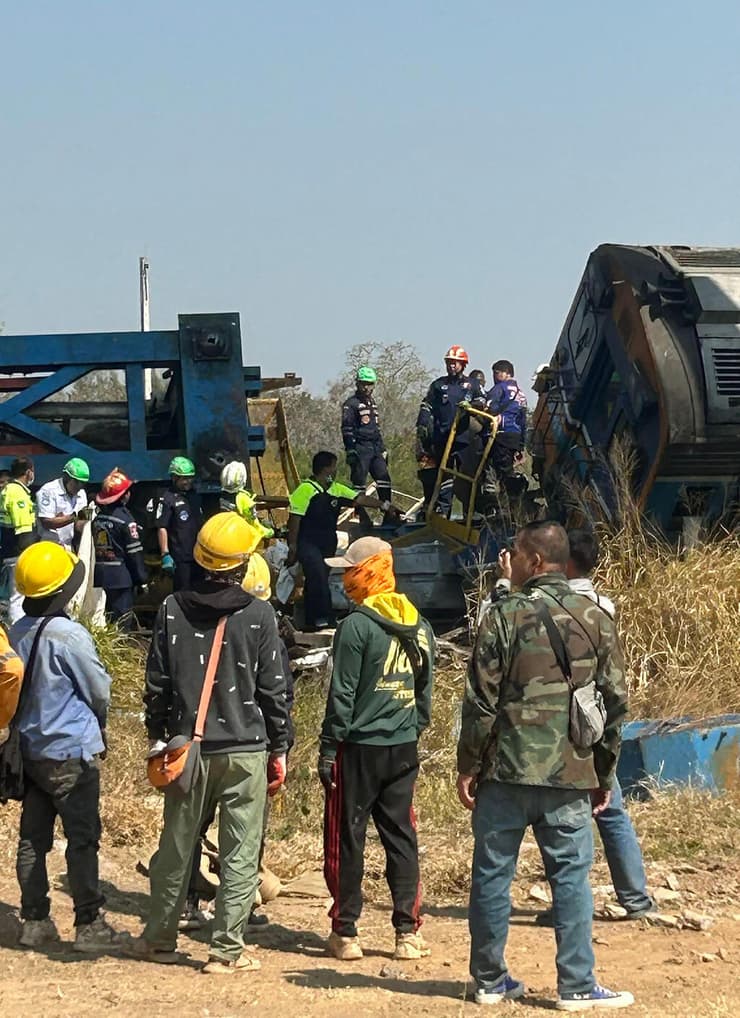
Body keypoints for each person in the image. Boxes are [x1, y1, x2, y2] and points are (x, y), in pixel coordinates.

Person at [457, 521, 634, 1010]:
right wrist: (605, 771)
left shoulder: (502, 616)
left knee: (492, 875)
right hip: (570, 772)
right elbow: (615, 701)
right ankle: (577, 985)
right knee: (572, 880)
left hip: (505, 772)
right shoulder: (595, 616)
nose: (508, 560)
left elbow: (480, 700)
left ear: (535, 561)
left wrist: (467, 765)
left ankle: (489, 980)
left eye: (514, 551)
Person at [129, 513, 290, 972]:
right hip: (245, 750)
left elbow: (156, 683)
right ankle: (226, 952)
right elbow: (273, 691)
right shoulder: (259, 615)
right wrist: (281, 747)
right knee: (240, 853)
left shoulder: (170, 609)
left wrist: (158, 739)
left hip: (187, 749)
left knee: (177, 846)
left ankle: (159, 938)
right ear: (243, 564)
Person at [319, 536, 435, 962]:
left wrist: (328, 750)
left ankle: (345, 932)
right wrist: (411, 726)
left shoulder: (356, 626)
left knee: (346, 838)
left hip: (358, 749)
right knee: (402, 837)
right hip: (403, 745)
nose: (345, 578)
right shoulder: (419, 624)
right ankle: (408, 933)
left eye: (350, 570)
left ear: (367, 571)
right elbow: (425, 690)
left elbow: (341, 696)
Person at [10, 541, 125, 951]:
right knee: (81, 839)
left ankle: (34, 921)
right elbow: (99, 690)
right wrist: (102, 728)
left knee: (32, 839)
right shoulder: (70, 635)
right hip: (71, 754)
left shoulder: (16, 631)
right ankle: (89, 924)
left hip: (30, 753)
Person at [286, 451, 400, 631]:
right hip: (308, 542)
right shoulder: (305, 490)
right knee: (317, 577)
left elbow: (359, 498)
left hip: (327, 542)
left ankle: (309, 619)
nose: (336, 470)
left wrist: (385, 506)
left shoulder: (336, 489)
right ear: (326, 469)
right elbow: (295, 519)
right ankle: (323, 619)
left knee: (318, 579)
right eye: (334, 466)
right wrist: (292, 545)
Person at [416, 347, 485, 517]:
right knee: (443, 477)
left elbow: (483, 403)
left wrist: (472, 406)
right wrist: (423, 422)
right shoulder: (438, 385)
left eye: (455, 363)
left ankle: (470, 515)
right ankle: (442, 513)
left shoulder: (473, 385)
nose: (451, 366)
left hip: (464, 440)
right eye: (449, 362)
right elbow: (427, 405)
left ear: (463, 365)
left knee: (467, 478)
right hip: (442, 438)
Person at [92, 468, 147, 626]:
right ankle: (121, 650)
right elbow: (134, 553)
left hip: (103, 576)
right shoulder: (125, 520)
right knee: (122, 622)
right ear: (124, 496)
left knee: (109, 619)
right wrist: (142, 579)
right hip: (122, 578)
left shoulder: (98, 519)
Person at [341, 366, 392, 516]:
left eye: (369, 384)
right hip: (360, 447)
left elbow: (376, 428)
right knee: (359, 484)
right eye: (363, 383)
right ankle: (360, 516)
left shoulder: (372, 402)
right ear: (357, 383)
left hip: (375, 447)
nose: (366, 387)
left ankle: (388, 513)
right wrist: (350, 449)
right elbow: (347, 428)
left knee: (384, 480)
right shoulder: (351, 404)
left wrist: (382, 448)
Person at [156, 456, 204, 591]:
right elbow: (162, 527)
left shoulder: (194, 496)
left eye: (190, 478)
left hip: (199, 554)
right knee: (183, 593)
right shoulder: (167, 499)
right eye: (184, 478)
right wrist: (165, 554)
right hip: (181, 557)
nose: (188, 481)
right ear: (174, 478)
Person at [0, 458, 38, 625]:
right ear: (28, 472)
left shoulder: (9, 490)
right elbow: (23, 529)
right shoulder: (17, 493)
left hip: (10, 550)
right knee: (18, 597)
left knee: (14, 596)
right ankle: (17, 635)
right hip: (18, 553)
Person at [483, 359, 528, 499]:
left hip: (500, 434)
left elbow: (490, 408)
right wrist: (521, 446)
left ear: (506, 373)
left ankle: (504, 500)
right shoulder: (521, 394)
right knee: (507, 468)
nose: (494, 377)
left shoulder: (500, 388)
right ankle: (513, 495)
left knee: (496, 470)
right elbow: (523, 421)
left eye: (496, 373)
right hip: (515, 437)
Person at [36, 458, 91, 551]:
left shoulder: (81, 493)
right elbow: (46, 522)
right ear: (66, 477)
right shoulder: (48, 491)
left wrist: (88, 520)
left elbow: (78, 526)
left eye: (83, 483)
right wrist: (73, 517)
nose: (80, 486)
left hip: (68, 547)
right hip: (48, 547)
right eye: (77, 482)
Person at [220, 461, 274, 541]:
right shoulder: (244, 499)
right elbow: (254, 525)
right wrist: (270, 532)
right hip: (242, 539)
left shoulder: (220, 497)